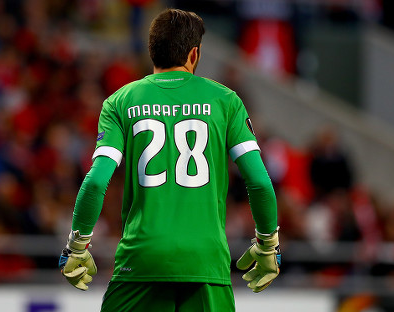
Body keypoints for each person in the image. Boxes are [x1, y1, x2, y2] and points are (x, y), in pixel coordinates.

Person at [58, 8, 280, 312]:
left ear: (153, 51)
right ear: (193, 55)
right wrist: (268, 245)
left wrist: (77, 245)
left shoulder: (121, 102)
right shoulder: (226, 101)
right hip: (206, 263)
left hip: (141, 262)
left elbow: (96, 181)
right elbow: (259, 182)